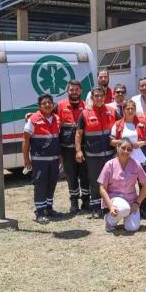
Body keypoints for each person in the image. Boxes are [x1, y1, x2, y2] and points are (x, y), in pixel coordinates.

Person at [75, 86, 117, 218]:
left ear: (105, 97)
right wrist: (78, 151)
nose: (99, 98)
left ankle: (108, 206)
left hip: (110, 154)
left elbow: (121, 127)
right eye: (96, 96)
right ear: (92, 98)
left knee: (110, 181)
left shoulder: (112, 111)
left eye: (101, 96)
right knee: (95, 181)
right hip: (93, 156)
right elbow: (78, 133)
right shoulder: (85, 113)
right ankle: (95, 207)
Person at [23, 94, 63, 224]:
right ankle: (39, 212)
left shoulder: (57, 119)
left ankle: (49, 208)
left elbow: (58, 139)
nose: (47, 105)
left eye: (49, 102)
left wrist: (61, 157)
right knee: (40, 185)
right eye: (44, 103)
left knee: (51, 184)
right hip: (40, 160)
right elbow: (26, 141)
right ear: (39, 106)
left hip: (54, 159)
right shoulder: (33, 119)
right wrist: (26, 160)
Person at [110, 99, 146, 216]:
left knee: (143, 182)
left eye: (132, 109)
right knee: (126, 183)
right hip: (124, 159)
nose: (130, 111)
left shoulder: (143, 122)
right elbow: (111, 141)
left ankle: (143, 207)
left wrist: (141, 143)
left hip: (140, 157)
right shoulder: (118, 124)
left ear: (135, 110)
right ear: (123, 110)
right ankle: (124, 206)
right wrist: (125, 143)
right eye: (127, 108)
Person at [98, 138, 146, 233]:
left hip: (131, 201)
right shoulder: (109, 165)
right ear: (117, 148)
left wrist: (137, 203)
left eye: (129, 149)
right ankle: (110, 221)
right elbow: (102, 188)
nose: (126, 151)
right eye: (123, 148)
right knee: (124, 208)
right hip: (115, 200)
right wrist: (110, 206)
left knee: (132, 228)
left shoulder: (136, 164)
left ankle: (125, 216)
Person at [56, 80, 89, 214]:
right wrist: (30, 115)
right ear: (67, 91)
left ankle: (86, 201)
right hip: (67, 149)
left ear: (80, 91)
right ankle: (74, 202)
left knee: (85, 175)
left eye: (76, 89)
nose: (74, 92)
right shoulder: (59, 105)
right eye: (71, 90)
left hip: (84, 148)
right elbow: (45, 113)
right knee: (71, 176)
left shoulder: (87, 106)